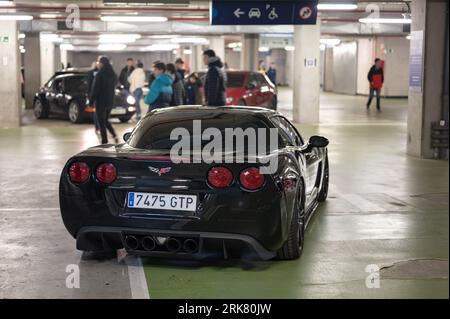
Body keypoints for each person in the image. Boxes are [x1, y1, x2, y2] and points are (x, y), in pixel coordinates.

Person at [89, 56, 119, 144]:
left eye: (98, 62)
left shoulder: (100, 74)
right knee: (105, 120)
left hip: (100, 101)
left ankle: (104, 140)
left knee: (101, 121)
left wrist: (91, 102)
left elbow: (95, 89)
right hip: (110, 101)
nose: (98, 64)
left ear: (102, 64)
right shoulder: (113, 74)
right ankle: (114, 134)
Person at [87, 60, 100, 134]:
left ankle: (100, 127)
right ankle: (97, 127)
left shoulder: (103, 73)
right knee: (96, 112)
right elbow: (89, 85)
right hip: (95, 96)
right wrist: (89, 95)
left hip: (102, 96)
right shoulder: (92, 73)